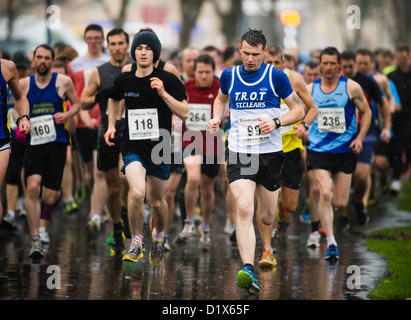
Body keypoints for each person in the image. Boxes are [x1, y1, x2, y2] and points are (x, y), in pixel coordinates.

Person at [208, 29, 305, 294]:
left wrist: (276, 121)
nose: (250, 59)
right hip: (240, 151)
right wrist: (218, 117)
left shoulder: (277, 77)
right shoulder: (229, 75)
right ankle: (248, 267)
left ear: (265, 51)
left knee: (266, 215)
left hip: (271, 154)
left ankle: (268, 244)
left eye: (255, 54)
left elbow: (299, 109)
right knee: (243, 206)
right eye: (246, 53)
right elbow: (220, 99)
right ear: (239, 49)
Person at [105, 30, 188, 266]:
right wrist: (112, 125)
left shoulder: (168, 79)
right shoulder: (125, 79)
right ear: (134, 52)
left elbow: (184, 111)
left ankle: (160, 236)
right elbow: (113, 98)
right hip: (132, 145)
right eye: (139, 48)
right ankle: (137, 241)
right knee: (137, 192)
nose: (143, 52)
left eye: (148, 49)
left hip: (160, 146)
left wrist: (163, 93)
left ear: (155, 53)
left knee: (157, 202)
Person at [306, 47, 371, 261]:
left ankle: (345, 211)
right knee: (325, 193)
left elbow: (367, 112)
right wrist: (302, 128)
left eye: (333, 63)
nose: (328, 68)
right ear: (319, 65)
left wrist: (360, 137)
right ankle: (332, 242)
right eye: (324, 63)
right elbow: (295, 110)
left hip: (345, 150)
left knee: (340, 202)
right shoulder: (310, 89)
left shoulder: (351, 87)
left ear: (339, 65)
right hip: (319, 150)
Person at [257, 45, 318, 266]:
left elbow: (312, 108)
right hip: (265, 148)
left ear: (285, 63)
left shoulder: (294, 80)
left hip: (290, 149)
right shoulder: (257, 79)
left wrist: (304, 125)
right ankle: (267, 246)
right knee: (265, 200)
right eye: (269, 62)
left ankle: (282, 212)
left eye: (277, 63)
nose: (272, 67)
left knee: (290, 206)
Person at [20, 44, 80, 260]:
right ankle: (35, 237)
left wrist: (66, 115)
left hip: (57, 142)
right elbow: (16, 105)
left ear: (53, 61)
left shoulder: (63, 82)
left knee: (50, 194)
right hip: (34, 143)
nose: (43, 61)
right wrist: (22, 119)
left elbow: (77, 104)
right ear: (33, 60)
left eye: (47, 58)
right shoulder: (24, 84)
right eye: (39, 57)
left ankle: (43, 226)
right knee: (33, 187)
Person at [81, 27, 131, 254]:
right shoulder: (98, 72)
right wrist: (98, 96)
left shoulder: (137, 69)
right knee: (112, 187)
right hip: (107, 131)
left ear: (127, 45)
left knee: (129, 180)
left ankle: (129, 213)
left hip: (132, 132)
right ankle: (117, 227)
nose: (118, 48)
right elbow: (83, 102)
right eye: (114, 44)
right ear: (107, 46)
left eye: (121, 43)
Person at [175, 54, 222, 249]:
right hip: (190, 140)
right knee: (192, 178)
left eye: (207, 72)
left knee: (208, 188)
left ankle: (206, 226)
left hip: (212, 143)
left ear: (213, 72)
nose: (203, 76)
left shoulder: (220, 88)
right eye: (200, 72)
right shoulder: (186, 87)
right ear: (194, 71)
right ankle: (189, 221)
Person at [340, 50, 390, 227]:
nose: (348, 69)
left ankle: (358, 201)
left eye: (351, 66)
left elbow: (383, 103)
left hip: (366, 132)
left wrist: (387, 127)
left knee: (361, 175)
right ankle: (343, 214)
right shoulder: (335, 81)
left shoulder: (367, 81)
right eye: (344, 67)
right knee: (343, 176)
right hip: (340, 135)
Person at [68, 24, 110, 234]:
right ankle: (97, 201)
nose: (93, 41)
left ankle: (97, 212)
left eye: (97, 38)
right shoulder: (75, 64)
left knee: (99, 170)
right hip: (83, 123)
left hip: (104, 121)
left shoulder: (108, 62)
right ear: (85, 40)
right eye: (90, 38)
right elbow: (73, 95)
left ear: (102, 40)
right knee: (88, 172)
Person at [0, 56, 31, 226]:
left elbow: (20, 98)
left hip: (2, 139)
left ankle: (11, 212)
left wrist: (24, 118)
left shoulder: (6, 68)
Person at [387, 44, 411, 194]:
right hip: (397, 117)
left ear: (408, 57)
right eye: (399, 58)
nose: (402, 61)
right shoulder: (392, 76)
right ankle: (395, 178)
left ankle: (404, 170)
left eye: (404, 57)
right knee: (397, 147)